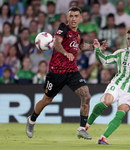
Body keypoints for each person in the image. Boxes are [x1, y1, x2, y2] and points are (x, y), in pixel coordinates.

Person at [26, 6, 107, 140]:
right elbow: (57, 43)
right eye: (71, 16)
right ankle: (32, 120)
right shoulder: (63, 28)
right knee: (47, 100)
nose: (74, 18)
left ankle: (82, 129)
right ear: (67, 18)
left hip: (72, 71)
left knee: (86, 96)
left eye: (76, 16)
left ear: (80, 18)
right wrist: (65, 53)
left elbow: (81, 46)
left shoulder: (78, 33)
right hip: (56, 73)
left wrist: (94, 47)